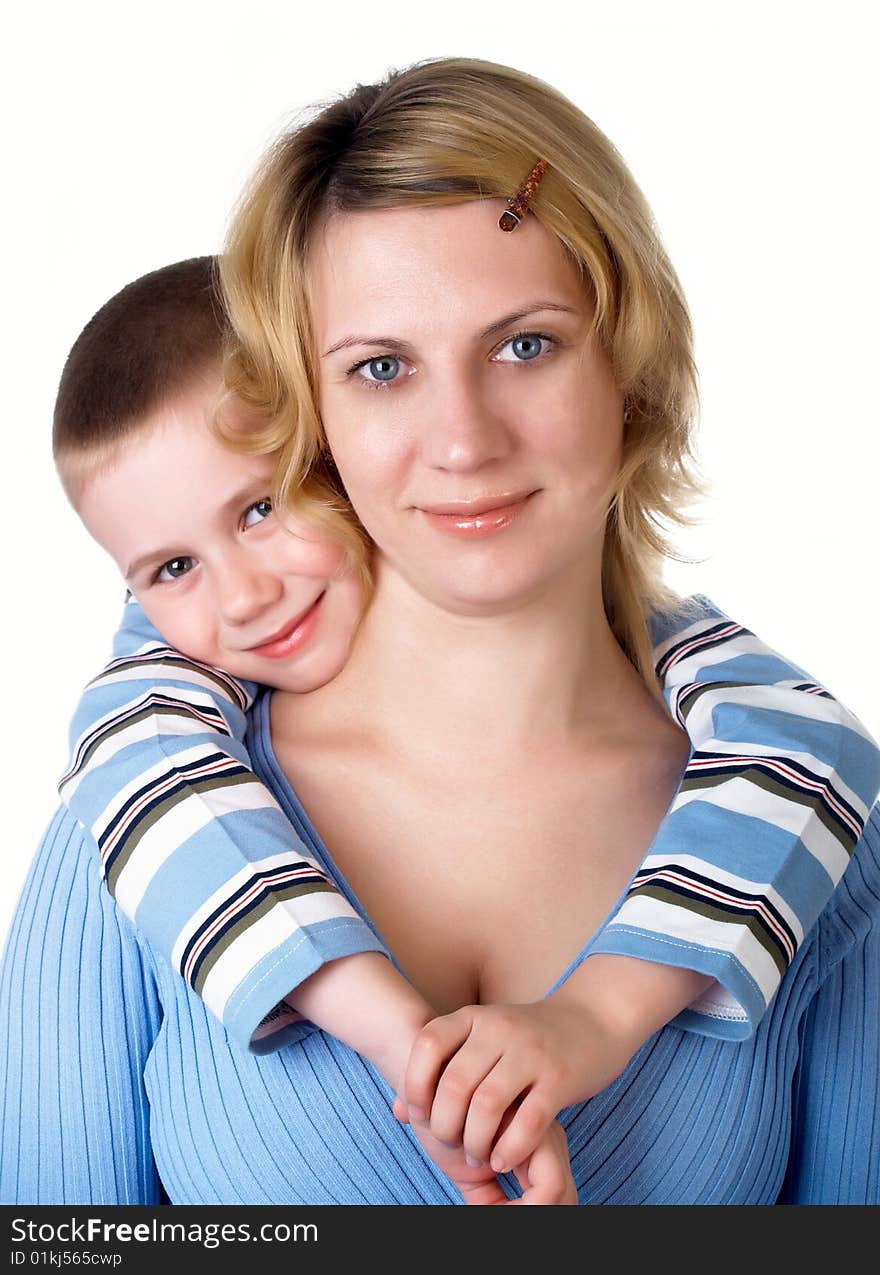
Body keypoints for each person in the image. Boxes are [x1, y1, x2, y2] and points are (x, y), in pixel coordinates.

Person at [1, 57, 878, 1205]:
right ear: (307, 416)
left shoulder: (820, 830)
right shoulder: (138, 824)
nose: (462, 441)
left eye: (525, 344)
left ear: (629, 354)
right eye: (380, 368)